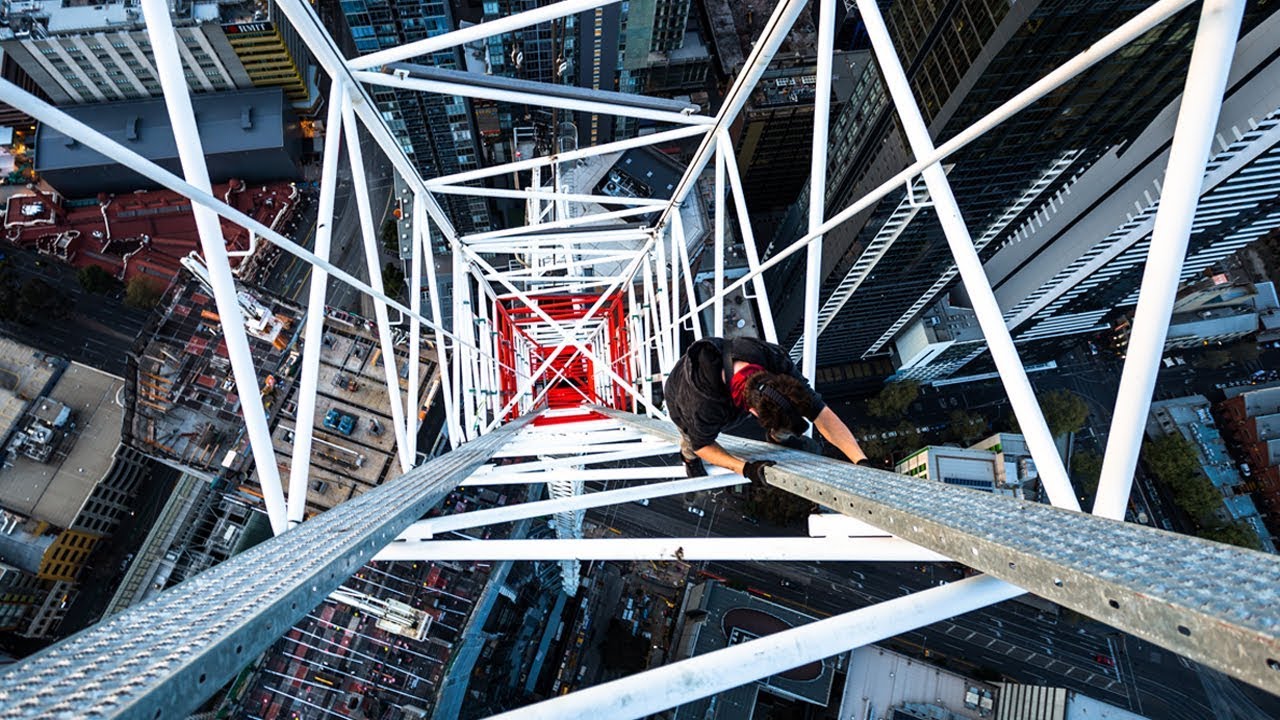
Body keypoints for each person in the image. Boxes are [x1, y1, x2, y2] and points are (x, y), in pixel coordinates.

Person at [663, 336, 868, 482]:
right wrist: (745, 469)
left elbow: (820, 412)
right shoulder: (702, 406)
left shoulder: (771, 357)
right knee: (691, 440)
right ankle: (688, 460)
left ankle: (778, 437)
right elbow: (703, 445)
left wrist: (861, 461)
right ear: (753, 413)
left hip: (735, 394)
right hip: (681, 401)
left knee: (788, 415)